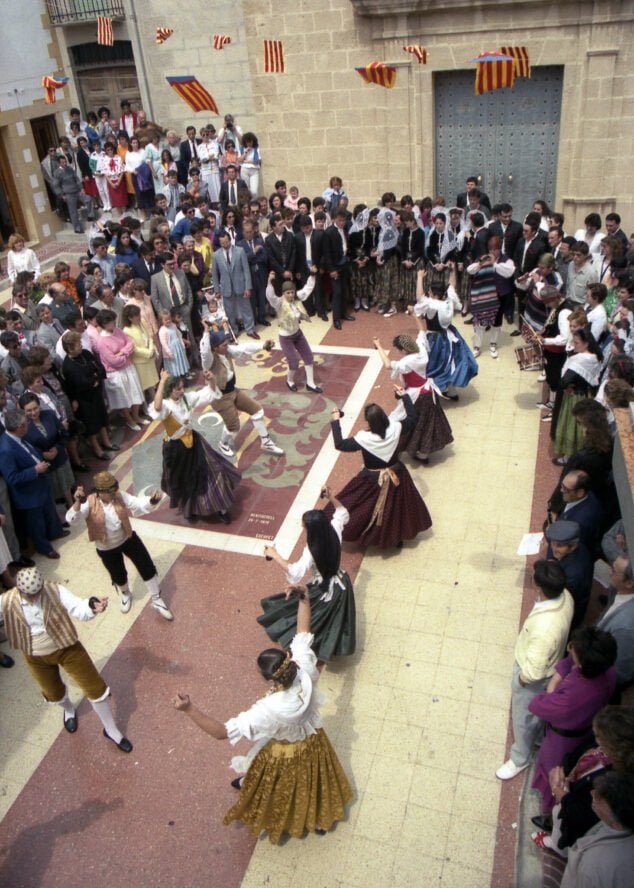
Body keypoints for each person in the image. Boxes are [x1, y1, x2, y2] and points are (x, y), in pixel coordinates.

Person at [172, 584, 352, 843]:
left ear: (268, 678)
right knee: (312, 784)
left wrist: (189, 709)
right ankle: (316, 818)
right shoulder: (305, 669)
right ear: (287, 661)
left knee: (279, 788)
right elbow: (304, 632)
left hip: (283, 752)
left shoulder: (267, 710)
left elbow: (223, 732)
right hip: (313, 742)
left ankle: (283, 815)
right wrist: (304, 598)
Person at [0, 566, 132, 751]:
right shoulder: (6, 601)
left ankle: (111, 731)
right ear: (18, 590)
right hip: (34, 656)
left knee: (95, 688)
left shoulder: (54, 590)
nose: (36, 598)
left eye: (38, 592)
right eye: (30, 595)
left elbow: (78, 607)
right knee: (53, 692)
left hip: (67, 647)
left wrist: (92, 606)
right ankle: (69, 710)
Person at [496, 560, 574, 781]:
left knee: (522, 717)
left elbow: (533, 672)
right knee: (537, 714)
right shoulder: (566, 596)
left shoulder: (544, 629)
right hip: (551, 666)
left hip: (533, 676)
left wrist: (520, 680)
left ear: (538, 587)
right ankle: (538, 737)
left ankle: (520, 758)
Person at [528, 627, 617, 817]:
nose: (570, 651)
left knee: (553, 774)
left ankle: (550, 813)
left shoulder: (572, 698)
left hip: (561, 739)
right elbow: (569, 661)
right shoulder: (607, 671)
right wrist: (562, 673)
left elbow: (537, 705)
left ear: (582, 665)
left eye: (572, 649)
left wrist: (553, 684)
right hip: (584, 730)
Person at [326, 391, 432, 549]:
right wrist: (405, 396)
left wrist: (335, 421)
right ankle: (397, 536)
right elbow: (412, 418)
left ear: (369, 423)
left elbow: (340, 444)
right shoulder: (396, 428)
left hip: (372, 479)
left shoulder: (364, 438)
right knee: (397, 507)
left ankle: (372, 536)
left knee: (360, 507)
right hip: (398, 474)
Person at [260, 487, 355, 661]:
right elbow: (342, 511)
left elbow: (295, 572)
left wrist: (274, 555)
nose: (302, 526)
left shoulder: (311, 551)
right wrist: (331, 497)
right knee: (331, 617)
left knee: (310, 616)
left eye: (303, 525)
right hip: (340, 581)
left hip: (322, 586)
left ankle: (311, 645)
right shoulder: (334, 529)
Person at [66, 473, 172, 619]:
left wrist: (152, 501)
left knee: (146, 565)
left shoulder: (118, 495)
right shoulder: (88, 503)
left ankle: (156, 598)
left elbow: (137, 502)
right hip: (106, 548)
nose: (112, 494)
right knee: (118, 574)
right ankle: (125, 594)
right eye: (109, 492)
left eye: (113, 490)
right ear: (100, 491)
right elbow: (72, 520)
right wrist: (77, 502)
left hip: (127, 538)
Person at [148, 370, 241, 523]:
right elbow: (157, 407)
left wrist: (211, 380)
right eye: (177, 389)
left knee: (213, 471)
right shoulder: (166, 405)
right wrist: (162, 381)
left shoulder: (186, 399)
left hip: (194, 442)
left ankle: (221, 507)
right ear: (169, 390)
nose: (181, 391)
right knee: (185, 480)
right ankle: (190, 509)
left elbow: (208, 393)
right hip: (176, 449)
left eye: (182, 387)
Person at [200, 329, 284, 456]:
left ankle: (266, 442)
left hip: (232, 391)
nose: (227, 345)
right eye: (223, 344)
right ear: (215, 348)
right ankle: (223, 444)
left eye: (226, 343)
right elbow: (204, 351)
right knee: (233, 428)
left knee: (257, 411)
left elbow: (244, 348)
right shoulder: (209, 359)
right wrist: (205, 331)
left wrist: (262, 346)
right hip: (220, 398)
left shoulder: (227, 350)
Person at [373, 333, 453, 464]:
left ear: (404, 350)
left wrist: (378, 345)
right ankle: (423, 455)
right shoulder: (421, 350)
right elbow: (422, 333)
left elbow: (388, 365)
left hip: (416, 396)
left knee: (399, 419)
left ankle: (389, 447)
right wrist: (415, 315)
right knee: (428, 423)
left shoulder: (407, 361)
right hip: (429, 391)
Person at [0, 408, 68, 559]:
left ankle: (55, 532)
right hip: (28, 494)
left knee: (49, 511)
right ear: (19, 428)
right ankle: (44, 548)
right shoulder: (5, 449)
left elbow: (29, 451)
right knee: (36, 524)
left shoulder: (19, 437)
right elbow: (12, 477)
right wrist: (35, 470)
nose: (29, 425)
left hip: (40, 485)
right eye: (26, 423)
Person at [560, 772, 634, 888]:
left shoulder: (595, 865)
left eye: (598, 799)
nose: (592, 793)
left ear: (617, 824)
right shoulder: (619, 824)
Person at [412, 267, 478, 398]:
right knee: (450, 362)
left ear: (432, 292)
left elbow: (419, 298)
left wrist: (419, 277)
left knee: (433, 365)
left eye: (429, 291)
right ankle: (451, 391)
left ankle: (433, 391)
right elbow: (452, 285)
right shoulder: (448, 301)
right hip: (448, 335)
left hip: (435, 339)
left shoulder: (432, 304)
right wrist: (452, 270)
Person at [61, 331, 116, 461]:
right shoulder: (68, 365)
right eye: (77, 344)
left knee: (102, 417)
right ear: (70, 348)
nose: (81, 345)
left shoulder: (86, 354)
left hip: (96, 394)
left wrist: (95, 379)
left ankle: (106, 441)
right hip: (83, 399)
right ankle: (97, 449)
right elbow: (80, 383)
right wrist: (94, 379)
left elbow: (99, 368)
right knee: (91, 425)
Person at [264, 272, 322, 393]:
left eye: (292, 292)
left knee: (308, 357)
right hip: (285, 337)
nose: (290, 295)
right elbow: (270, 296)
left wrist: (311, 275)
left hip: (297, 334)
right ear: (283, 293)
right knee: (293, 362)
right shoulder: (279, 302)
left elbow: (307, 289)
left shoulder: (296, 298)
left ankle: (310, 383)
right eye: (288, 293)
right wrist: (269, 281)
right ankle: (289, 380)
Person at [92, 309, 147, 432]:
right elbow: (113, 361)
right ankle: (129, 420)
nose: (113, 323)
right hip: (116, 373)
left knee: (135, 393)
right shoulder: (101, 341)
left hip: (128, 367)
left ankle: (136, 416)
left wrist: (122, 352)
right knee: (123, 399)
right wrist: (125, 354)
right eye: (110, 322)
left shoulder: (118, 331)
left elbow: (130, 343)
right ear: (103, 324)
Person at [19, 392, 74, 508]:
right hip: (43, 465)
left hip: (60, 459)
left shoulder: (49, 414)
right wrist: (42, 454)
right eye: (29, 410)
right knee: (51, 491)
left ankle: (71, 504)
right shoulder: (22, 427)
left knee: (66, 486)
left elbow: (64, 434)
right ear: (23, 411)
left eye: (35, 408)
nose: (33, 413)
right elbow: (26, 448)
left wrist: (57, 448)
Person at [465, 234, 515, 358]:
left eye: (495, 249)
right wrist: (479, 264)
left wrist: (495, 264)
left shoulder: (507, 260)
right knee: (480, 322)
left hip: (500, 296)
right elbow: (469, 270)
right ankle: (477, 346)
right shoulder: (483, 258)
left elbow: (509, 272)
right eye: (491, 249)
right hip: (484, 297)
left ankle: (493, 344)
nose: (493, 252)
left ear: (500, 248)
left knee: (497, 323)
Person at [545, 521, 594, 629]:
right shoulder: (579, 548)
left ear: (572, 547)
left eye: (559, 546)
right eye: (553, 543)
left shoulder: (574, 573)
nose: (554, 548)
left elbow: (562, 597)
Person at [595, 556, 634, 690]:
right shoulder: (620, 590)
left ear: (629, 583)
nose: (609, 572)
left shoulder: (626, 627)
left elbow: (620, 673)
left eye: (614, 571)